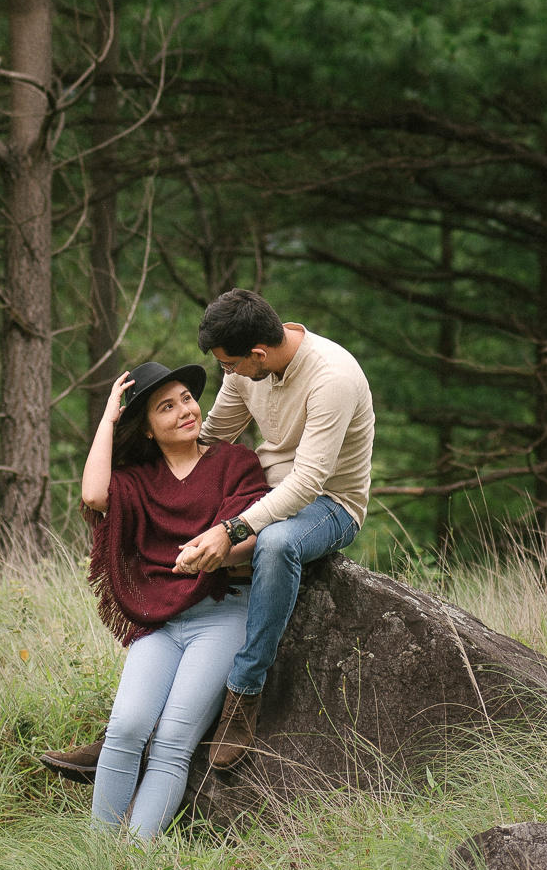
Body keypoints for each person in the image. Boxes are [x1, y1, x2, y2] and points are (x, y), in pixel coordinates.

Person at [44, 290, 374, 777]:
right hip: (260, 494)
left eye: (232, 365)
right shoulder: (247, 369)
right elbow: (213, 435)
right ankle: (127, 734)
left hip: (326, 504)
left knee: (278, 544)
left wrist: (232, 526)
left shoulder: (333, 378)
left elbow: (307, 482)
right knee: (176, 539)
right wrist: (147, 470)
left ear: (257, 354)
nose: (230, 374)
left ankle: (244, 695)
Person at [80, 360, 271, 840]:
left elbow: (252, 531)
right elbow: (94, 494)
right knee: (126, 729)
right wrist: (108, 418)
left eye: (186, 397)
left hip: (223, 612)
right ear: (145, 430)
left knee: (171, 743)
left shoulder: (234, 462)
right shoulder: (141, 478)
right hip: (160, 622)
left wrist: (218, 548)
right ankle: (98, 856)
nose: (186, 410)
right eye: (166, 407)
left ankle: (134, 860)